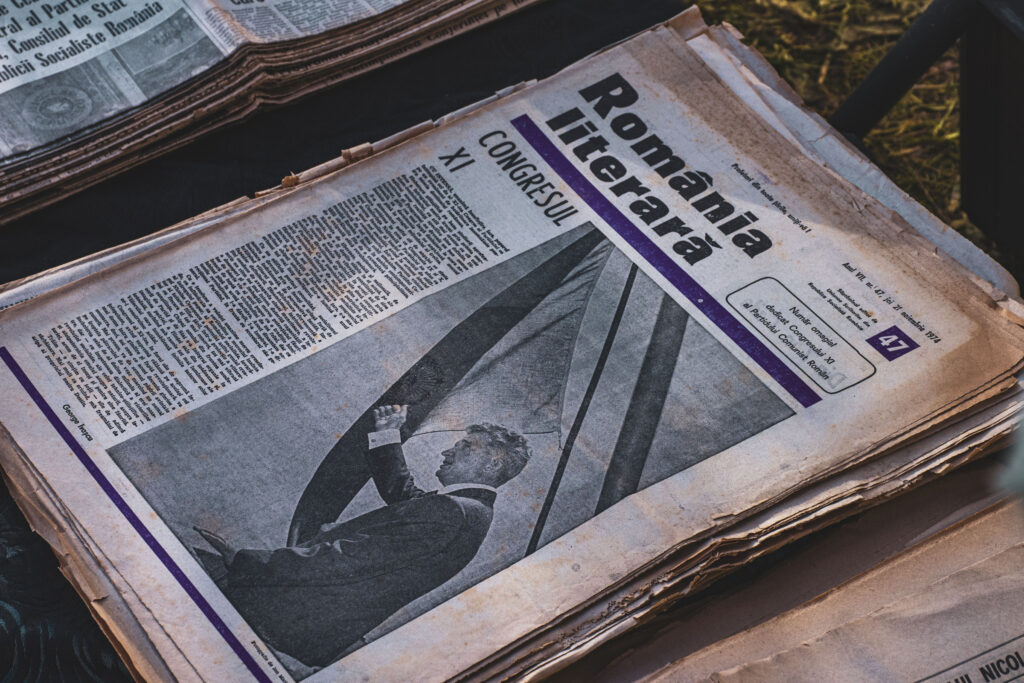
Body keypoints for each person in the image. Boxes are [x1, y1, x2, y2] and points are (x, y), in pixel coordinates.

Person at [193, 404, 530, 668]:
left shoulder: (452, 511)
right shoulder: (471, 510)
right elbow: (407, 499)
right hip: (310, 621)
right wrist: (387, 436)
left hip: (286, 613)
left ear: (491, 465)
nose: (447, 452)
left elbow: (344, 559)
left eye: (466, 448)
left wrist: (245, 560)